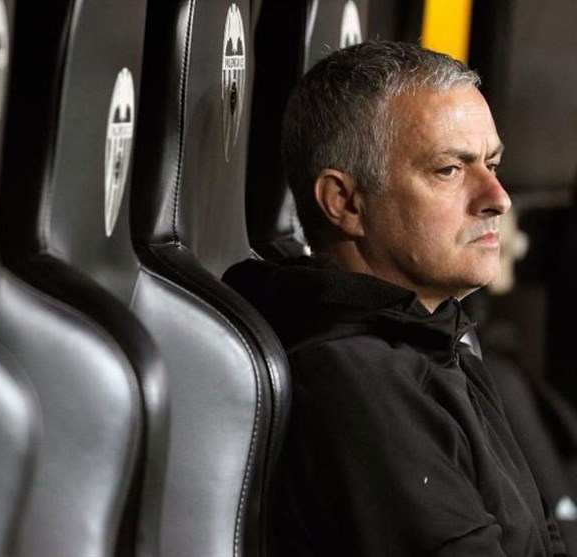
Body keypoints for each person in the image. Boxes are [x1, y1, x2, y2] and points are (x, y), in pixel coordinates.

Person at [223, 40, 567, 556]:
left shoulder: (438, 335)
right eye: (449, 170)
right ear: (345, 202)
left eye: (492, 165)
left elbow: (542, 536)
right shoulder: (353, 378)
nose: (497, 198)